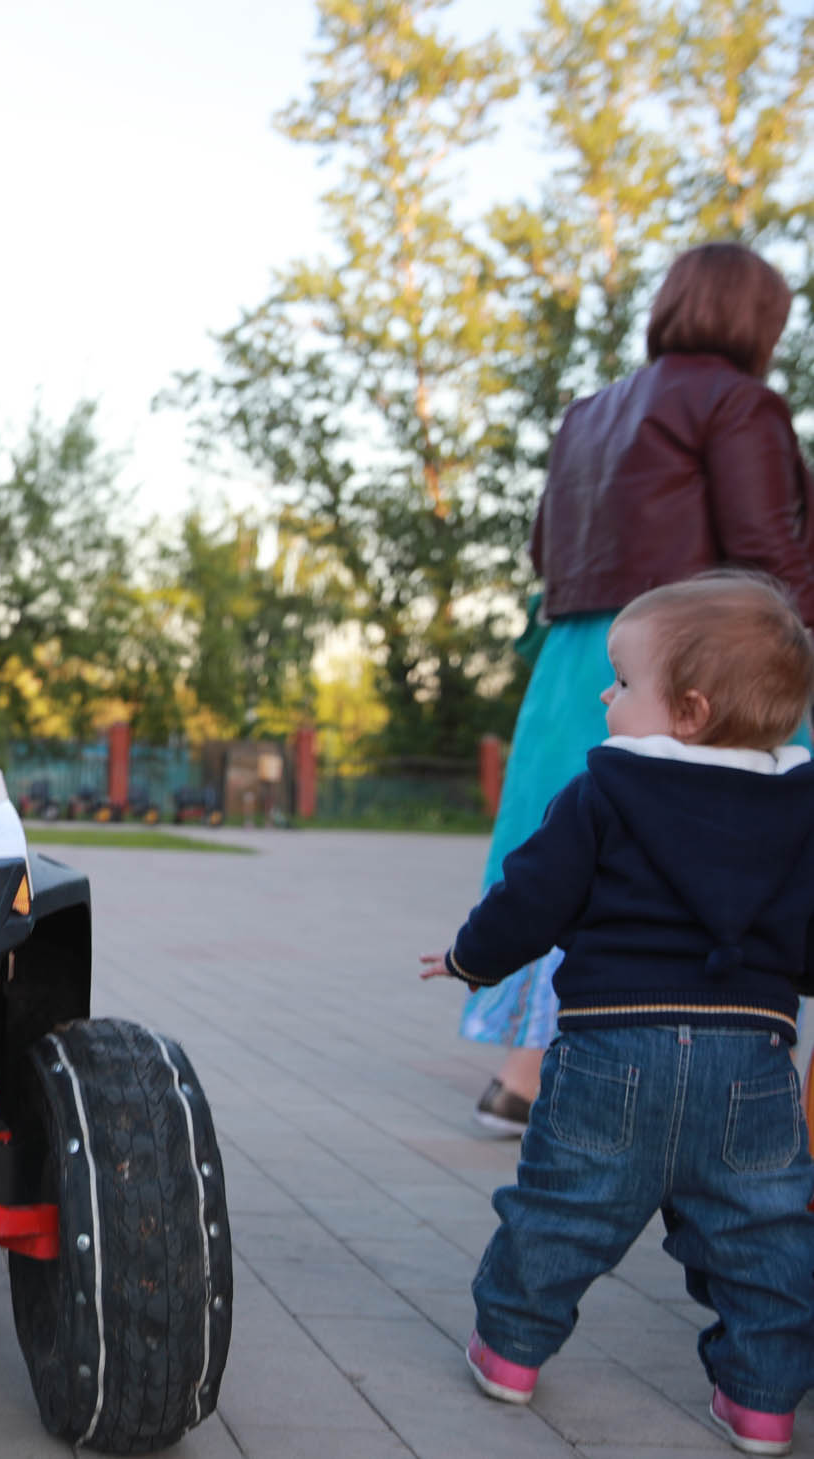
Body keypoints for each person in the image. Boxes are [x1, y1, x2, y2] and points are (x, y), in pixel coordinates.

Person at [422, 572, 814, 1455]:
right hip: (751, 1058)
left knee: (565, 1206)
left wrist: (467, 959)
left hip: (611, 1047)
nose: (605, 695)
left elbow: (530, 897)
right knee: (759, 1229)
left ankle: (510, 1351)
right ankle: (761, 1400)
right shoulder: (799, 812)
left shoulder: (603, 792)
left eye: (624, 680)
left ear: (689, 710)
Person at [461, 241, 814, 1137]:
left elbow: (543, 548)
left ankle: (526, 1072)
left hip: (587, 655)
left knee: (575, 840)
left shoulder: (588, 412)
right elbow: (767, 557)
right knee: (742, 835)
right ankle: (726, 1074)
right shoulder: (739, 403)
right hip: (699, 657)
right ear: (758, 320)